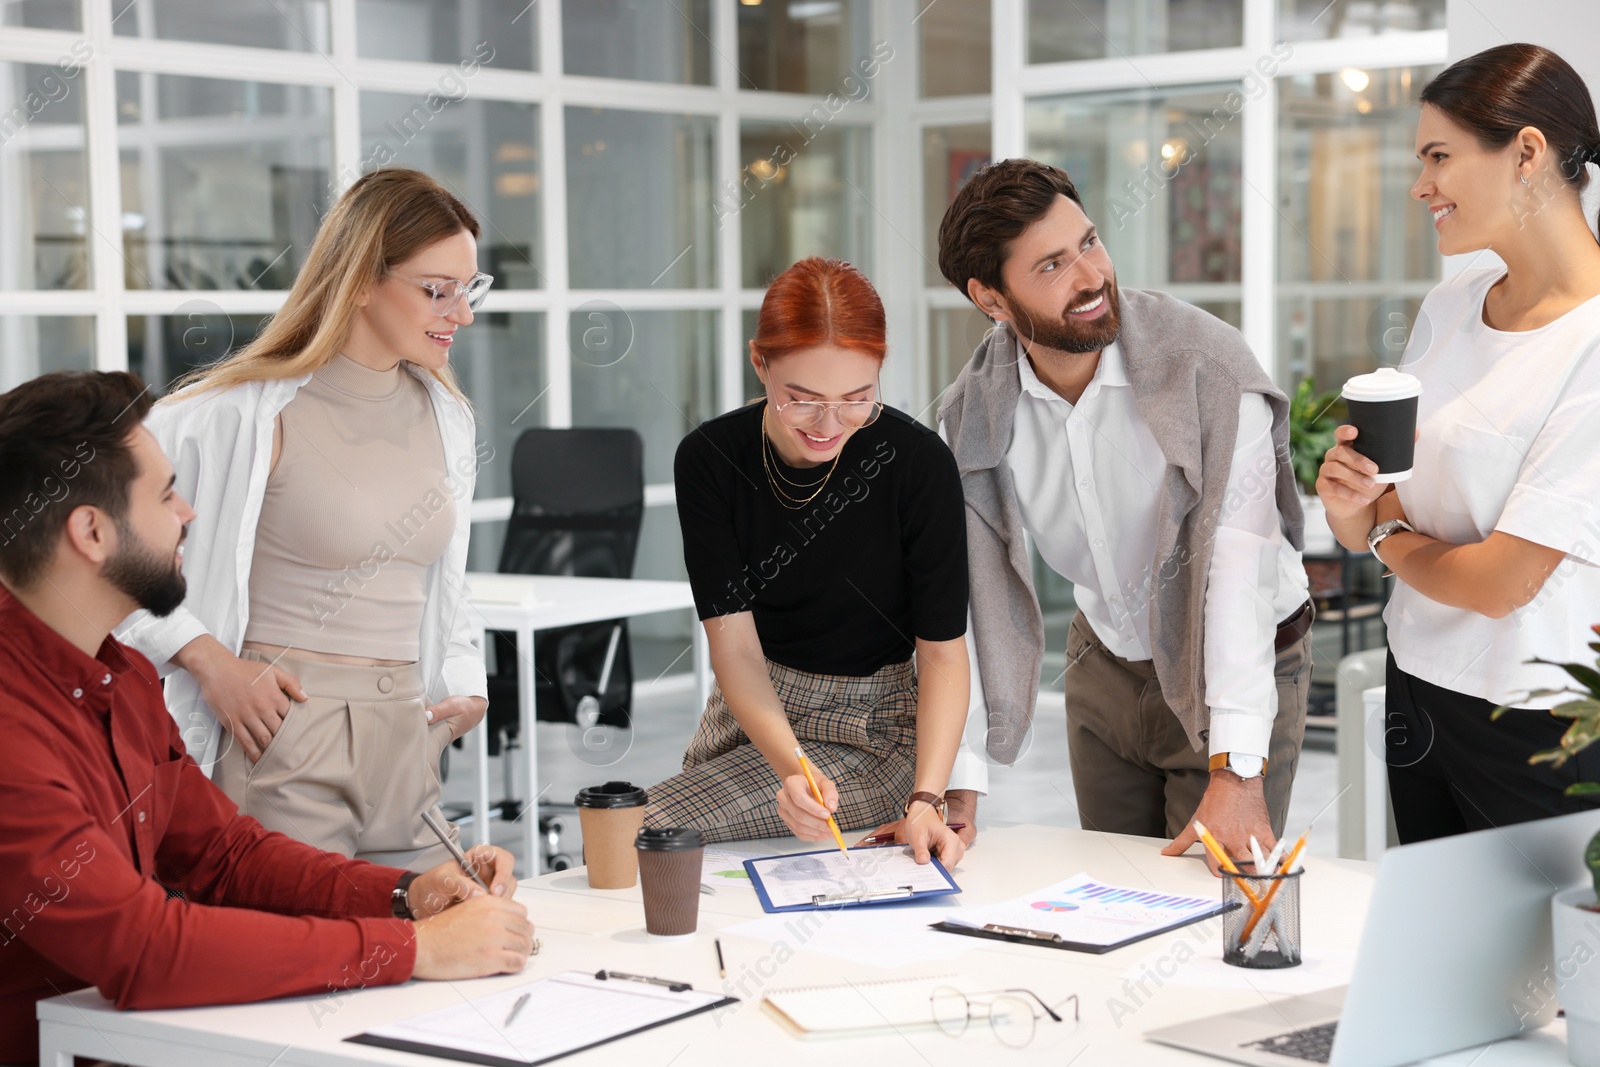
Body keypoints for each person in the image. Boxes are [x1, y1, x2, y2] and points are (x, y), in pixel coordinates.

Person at [0, 371, 535, 1066]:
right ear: (92, 532)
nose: (188, 511)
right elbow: (144, 948)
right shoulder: (13, 726)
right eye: (164, 494)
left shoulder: (121, 675)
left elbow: (226, 855)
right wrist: (414, 950)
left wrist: (408, 894)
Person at [936, 159, 1314, 872]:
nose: (1090, 275)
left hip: (1229, 657)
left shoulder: (1209, 367)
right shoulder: (973, 415)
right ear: (990, 297)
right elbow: (963, 597)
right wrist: (958, 776)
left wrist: (1237, 771)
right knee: (1116, 893)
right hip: (1103, 663)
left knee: (1209, 905)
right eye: (1051, 264)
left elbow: (1238, 570)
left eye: (1089, 242)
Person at [115, 168, 491, 871]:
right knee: (315, 965)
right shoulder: (227, 416)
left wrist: (466, 678)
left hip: (409, 733)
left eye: (470, 288)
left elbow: (443, 576)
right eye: (439, 290)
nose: (461, 313)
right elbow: (107, 567)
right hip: (286, 733)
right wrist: (208, 659)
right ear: (358, 279)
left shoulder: (449, 418)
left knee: (463, 947)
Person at [1317, 44, 1600, 843]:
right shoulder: (1453, 302)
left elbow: (1502, 581)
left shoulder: (1592, 341)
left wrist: (1383, 535)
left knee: (1549, 966)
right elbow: (1385, 499)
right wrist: (1356, 504)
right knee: (1442, 956)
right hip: (1418, 687)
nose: (1420, 185)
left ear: (1528, 154)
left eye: (1439, 156)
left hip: (1532, 722)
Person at [645, 257, 972, 865]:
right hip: (751, 714)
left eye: (857, 398)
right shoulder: (711, 459)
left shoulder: (916, 464)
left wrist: (926, 798)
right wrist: (790, 763)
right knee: (686, 853)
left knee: (648, 823)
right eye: (802, 400)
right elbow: (736, 649)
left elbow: (943, 653)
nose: (829, 425)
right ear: (759, 363)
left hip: (874, 731)